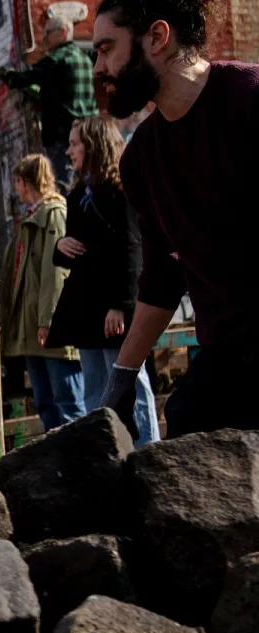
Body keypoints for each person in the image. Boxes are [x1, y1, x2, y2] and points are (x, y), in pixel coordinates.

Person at [93, 0, 259, 438]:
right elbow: (163, 279)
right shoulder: (141, 160)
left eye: (107, 48)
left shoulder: (250, 98)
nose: (98, 67)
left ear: (158, 37)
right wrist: (123, 375)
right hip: (229, 355)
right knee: (187, 424)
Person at [46, 117, 159, 445]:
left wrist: (121, 306)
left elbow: (132, 248)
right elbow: (79, 249)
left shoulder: (121, 188)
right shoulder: (79, 192)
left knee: (129, 383)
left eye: (75, 143)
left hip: (113, 309)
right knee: (95, 386)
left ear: (94, 144)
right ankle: (107, 454)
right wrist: (60, 247)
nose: (68, 152)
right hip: (86, 308)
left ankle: (147, 451)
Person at [1, 154, 84, 431]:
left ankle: (80, 461)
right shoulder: (32, 218)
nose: (17, 189)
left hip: (49, 328)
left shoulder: (54, 215)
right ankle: (58, 465)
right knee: (45, 401)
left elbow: (56, 272)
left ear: (25, 183)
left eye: (17, 182)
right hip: (33, 330)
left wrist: (49, 320)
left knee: (68, 402)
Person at [6, 17, 99, 188]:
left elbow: (24, 78)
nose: (43, 38)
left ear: (62, 32)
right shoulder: (84, 59)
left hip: (62, 136)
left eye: (47, 33)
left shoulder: (55, 60)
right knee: (89, 183)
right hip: (90, 134)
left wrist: (9, 76)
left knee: (64, 185)